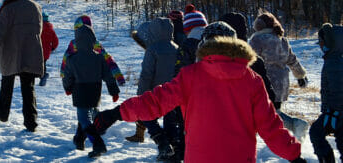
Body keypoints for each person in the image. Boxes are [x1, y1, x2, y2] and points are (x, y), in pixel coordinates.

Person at [89, 37, 306, 163]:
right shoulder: (252, 80)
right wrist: (294, 156)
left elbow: (154, 102)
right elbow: (270, 127)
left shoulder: (191, 75)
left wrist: (116, 113)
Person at [0, 0, 44, 132]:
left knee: (7, 83)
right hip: (31, 52)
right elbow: (39, 30)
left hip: (11, 52)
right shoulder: (36, 7)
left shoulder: (8, 9)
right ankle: (31, 122)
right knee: (28, 88)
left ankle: (3, 113)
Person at [60, 15, 120, 158]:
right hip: (95, 92)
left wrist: (68, 88)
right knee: (87, 114)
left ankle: (98, 144)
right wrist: (114, 91)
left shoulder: (72, 59)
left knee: (84, 119)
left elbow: (67, 76)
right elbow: (108, 75)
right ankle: (79, 139)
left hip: (79, 92)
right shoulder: (99, 57)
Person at [134, 17, 179, 160]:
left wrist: (141, 94)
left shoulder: (152, 50)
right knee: (171, 120)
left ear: (152, 32)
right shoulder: (177, 48)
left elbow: (146, 74)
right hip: (174, 93)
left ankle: (162, 143)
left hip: (156, 92)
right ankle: (173, 150)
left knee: (145, 115)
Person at [249, 12, 307, 110]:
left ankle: (291, 124)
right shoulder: (282, 40)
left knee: (263, 113)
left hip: (265, 83)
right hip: (281, 83)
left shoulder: (257, 39)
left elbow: (250, 60)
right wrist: (300, 75)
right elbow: (292, 60)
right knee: (276, 112)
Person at [310, 23, 343, 163]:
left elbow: (338, 91)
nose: (320, 45)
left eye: (321, 42)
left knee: (316, 133)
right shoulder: (333, 58)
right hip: (333, 111)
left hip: (337, 112)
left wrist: (332, 113)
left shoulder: (335, 62)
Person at [39, 12, 59, 86]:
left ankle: (43, 76)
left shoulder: (38, 27)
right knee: (43, 63)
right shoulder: (51, 29)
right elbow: (56, 41)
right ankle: (43, 75)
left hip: (37, 50)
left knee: (37, 64)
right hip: (46, 52)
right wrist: (53, 48)